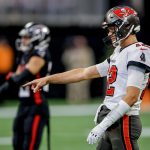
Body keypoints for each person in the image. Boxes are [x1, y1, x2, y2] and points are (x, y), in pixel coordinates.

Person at [23, 6, 150, 150]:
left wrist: (104, 124)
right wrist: (48, 79)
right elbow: (84, 73)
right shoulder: (119, 52)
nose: (109, 33)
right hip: (113, 120)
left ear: (126, 26)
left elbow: (132, 97)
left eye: (112, 28)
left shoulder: (139, 52)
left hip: (124, 120)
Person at [0, 22, 52, 150]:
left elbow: (21, 77)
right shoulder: (25, 54)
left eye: (27, 37)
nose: (23, 40)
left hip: (37, 106)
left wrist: (7, 83)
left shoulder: (40, 54)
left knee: (29, 146)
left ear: (39, 37)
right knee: (17, 143)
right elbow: (15, 79)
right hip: (23, 105)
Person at [62, 36, 95, 103]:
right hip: (72, 72)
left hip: (85, 72)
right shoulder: (70, 50)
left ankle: (83, 101)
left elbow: (91, 61)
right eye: (77, 41)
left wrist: (92, 72)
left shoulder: (88, 50)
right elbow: (65, 60)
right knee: (72, 87)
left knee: (84, 88)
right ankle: (72, 101)